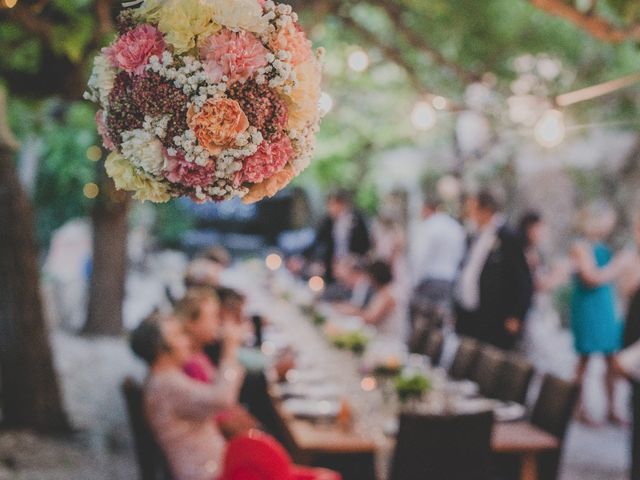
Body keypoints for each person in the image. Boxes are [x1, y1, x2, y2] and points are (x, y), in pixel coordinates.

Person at [131, 312, 245, 480]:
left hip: (209, 467)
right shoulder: (166, 384)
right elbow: (223, 399)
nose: (187, 341)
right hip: (207, 473)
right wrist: (230, 350)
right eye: (179, 335)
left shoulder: (163, 379)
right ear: (162, 350)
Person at [454, 190, 533, 350]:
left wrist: (517, 315)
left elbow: (523, 279)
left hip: (494, 316)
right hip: (469, 312)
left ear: (485, 210)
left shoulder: (508, 237)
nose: (469, 214)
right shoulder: (474, 235)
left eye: (472, 209)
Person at [570, 202, 623, 424]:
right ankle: (577, 407)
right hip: (588, 306)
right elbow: (591, 277)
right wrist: (618, 267)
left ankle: (612, 408)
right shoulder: (580, 245)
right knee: (585, 359)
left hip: (605, 305)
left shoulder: (603, 245)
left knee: (611, 358)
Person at [410, 196, 466, 330]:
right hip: (449, 280)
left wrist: (414, 281)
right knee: (440, 322)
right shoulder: (454, 226)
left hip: (430, 279)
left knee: (423, 323)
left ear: (427, 208)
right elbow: (461, 255)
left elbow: (421, 256)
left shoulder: (430, 225)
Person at [306, 189, 371, 281]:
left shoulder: (358, 220)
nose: (330, 208)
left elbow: (365, 244)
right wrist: (317, 260)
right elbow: (319, 242)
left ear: (342, 204)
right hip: (331, 266)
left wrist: (353, 259)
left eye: (332, 204)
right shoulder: (327, 221)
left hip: (352, 266)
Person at [338, 260, 406, 340]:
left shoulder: (388, 294)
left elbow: (371, 319)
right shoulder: (385, 291)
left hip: (390, 339)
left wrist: (353, 311)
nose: (368, 281)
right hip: (384, 336)